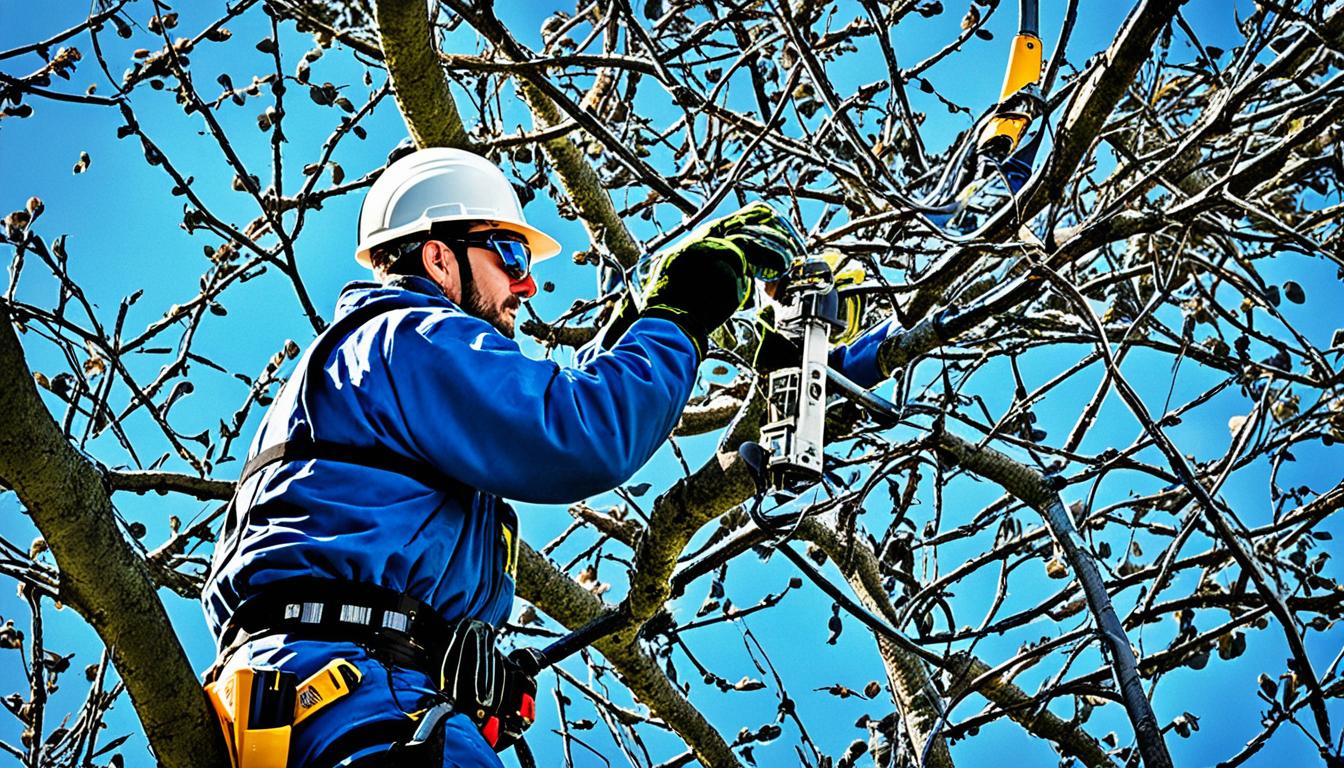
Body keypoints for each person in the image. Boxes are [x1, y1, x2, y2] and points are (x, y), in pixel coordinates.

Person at [199, 146, 812, 768]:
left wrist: (454, 663)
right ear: (438, 257)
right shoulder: (409, 335)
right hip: (362, 698)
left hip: (314, 702)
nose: (526, 283)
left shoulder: (367, 366)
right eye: (509, 254)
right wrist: (682, 309)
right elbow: (579, 429)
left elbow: (540, 398)